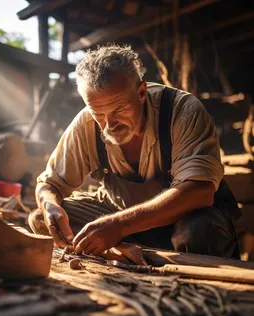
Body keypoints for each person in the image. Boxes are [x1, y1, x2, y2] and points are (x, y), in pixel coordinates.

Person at [29, 44, 240, 258]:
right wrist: (49, 205)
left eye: (119, 109)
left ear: (141, 92)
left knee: (199, 232)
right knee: (44, 219)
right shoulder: (86, 124)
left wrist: (119, 225)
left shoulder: (181, 111)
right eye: (98, 113)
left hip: (185, 219)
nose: (109, 124)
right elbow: (49, 184)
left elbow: (199, 192)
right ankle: (129, 256)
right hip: (122, 216)